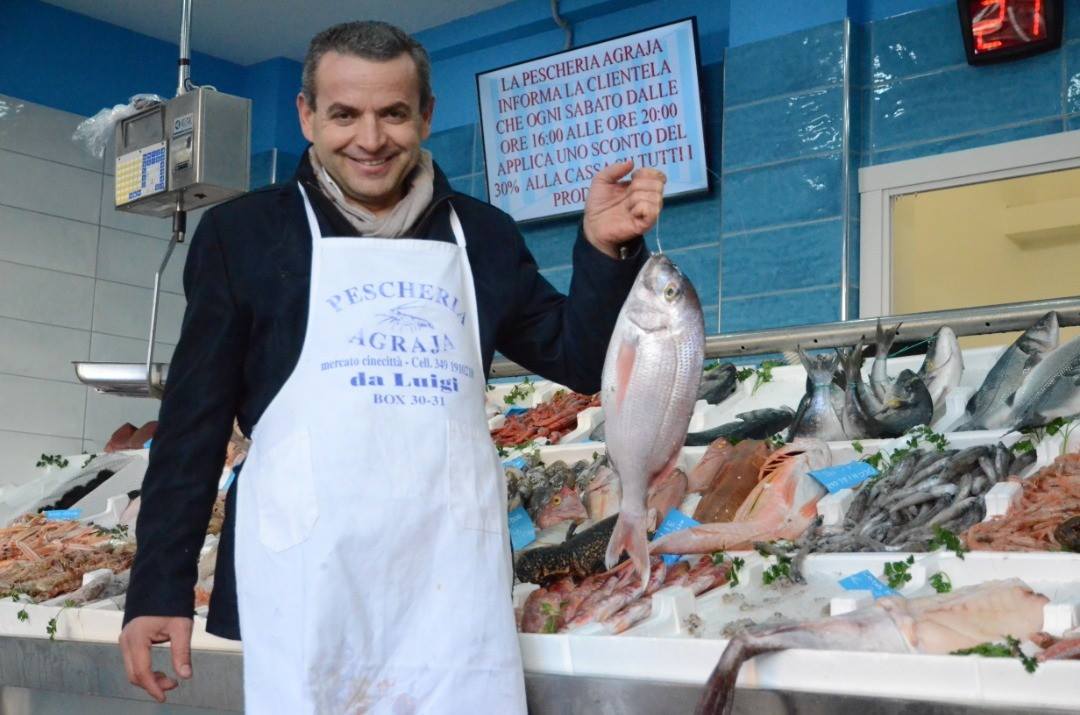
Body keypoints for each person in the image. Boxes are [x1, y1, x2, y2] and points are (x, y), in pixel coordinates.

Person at [119, 20, 666, 713]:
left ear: (426, 115)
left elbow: (579, 358)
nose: (370, 140)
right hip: (308, 576)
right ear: (307, 115)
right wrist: (158, 586)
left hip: (450, 580)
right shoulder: (245, 236)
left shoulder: (485, 234)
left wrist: (603, 249)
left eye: (393, 114)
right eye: (344, 114)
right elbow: (193, 424)